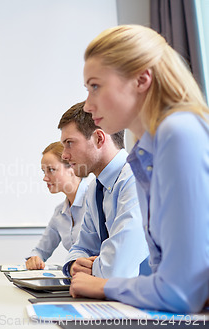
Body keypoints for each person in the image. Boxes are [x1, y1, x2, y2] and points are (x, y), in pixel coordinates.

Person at [70, 24, 209, 313]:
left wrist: (104, 285)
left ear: (142, 79)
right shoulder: (148, 148)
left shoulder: (178, 133)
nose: (87, 104)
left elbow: (180, 291)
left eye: (95, 86)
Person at [59, 102, 149, 279]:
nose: (64, 155)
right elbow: (81, 247)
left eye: (69, 143)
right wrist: (73, 266)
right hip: (114, 299)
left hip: (149, 301)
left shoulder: (136, 179)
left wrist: (90, 270)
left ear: (99, 139)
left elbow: (116, 269)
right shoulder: (95, 188)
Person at [25, 142, 89, 270]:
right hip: (77, 277)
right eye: (44, 171)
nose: (45, 178)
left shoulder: (94, 200)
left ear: (72, 168)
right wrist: (34, 259)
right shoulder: (60, 211)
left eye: (51, 170)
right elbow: (41, 250)